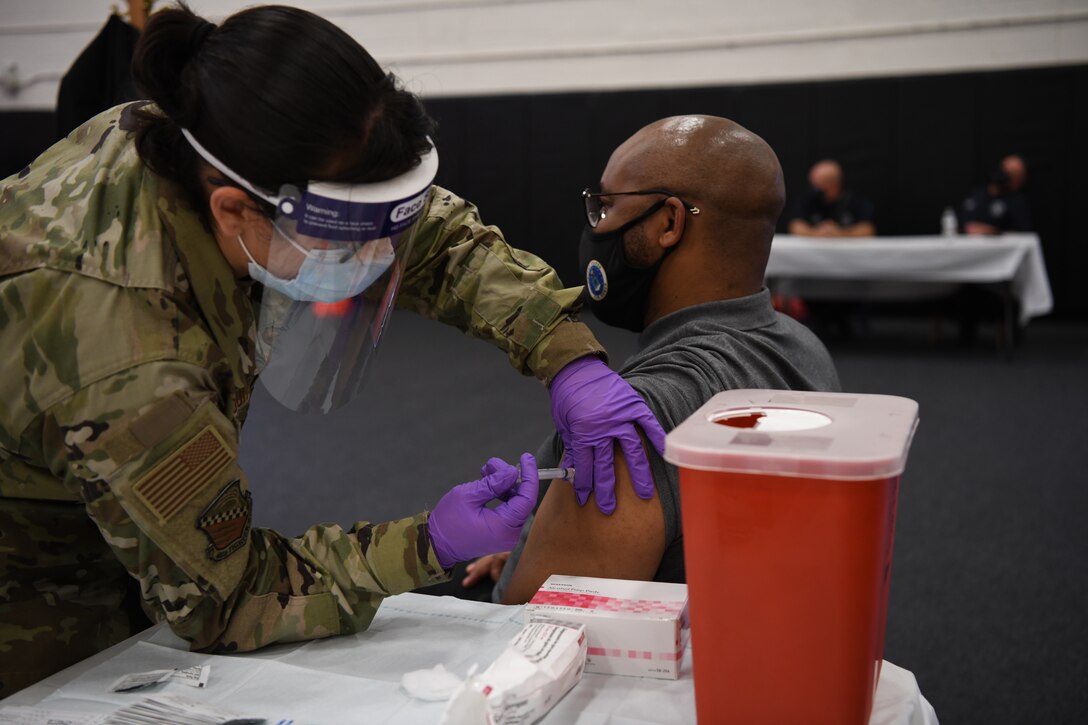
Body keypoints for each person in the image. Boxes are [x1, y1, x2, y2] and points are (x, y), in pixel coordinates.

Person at [0, 3, 666, 695]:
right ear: (232, 210)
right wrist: (424, 545)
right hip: (33, 571)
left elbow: (433, 237)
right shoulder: (124, 353)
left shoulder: (205, 132)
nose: (382, 257)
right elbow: (227, 598)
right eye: (353, 235)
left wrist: (565, 354)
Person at [457, 115, 842, 603]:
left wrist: (522, 560)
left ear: (668, 223)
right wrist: (529, 547)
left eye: (607, 206)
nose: (597, 225)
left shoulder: (629, 418)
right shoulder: (804, 348)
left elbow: (533, 628)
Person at [787, 159, 876, 237]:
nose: (815, 188)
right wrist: (817, 233)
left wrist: (841, 233)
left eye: (820, 184)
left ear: (833, 184)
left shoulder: (855, 201)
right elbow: (795, 225)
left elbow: (868, 229)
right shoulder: (809, 199)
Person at [960, 154, 1032, 234]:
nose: (1005, 175)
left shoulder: (1017, 201)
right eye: (1005, 171)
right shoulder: (977, 195)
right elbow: (968, 226)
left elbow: (1023, 233)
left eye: (1013, 173)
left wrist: (993, 232)